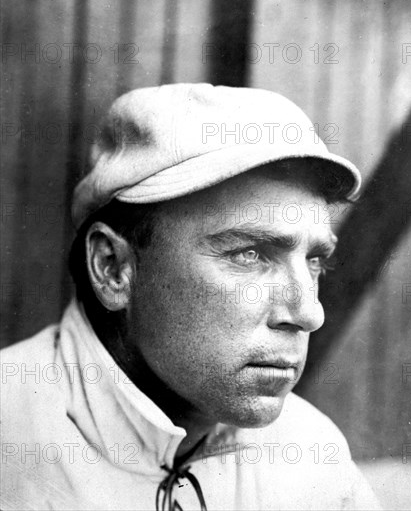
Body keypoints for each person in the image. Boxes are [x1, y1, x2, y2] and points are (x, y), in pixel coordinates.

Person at [0, 84, 381, 510]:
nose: (309, 313)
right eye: (250, 254)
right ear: (112, 268)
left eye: (314, 261)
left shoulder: (311, 458)